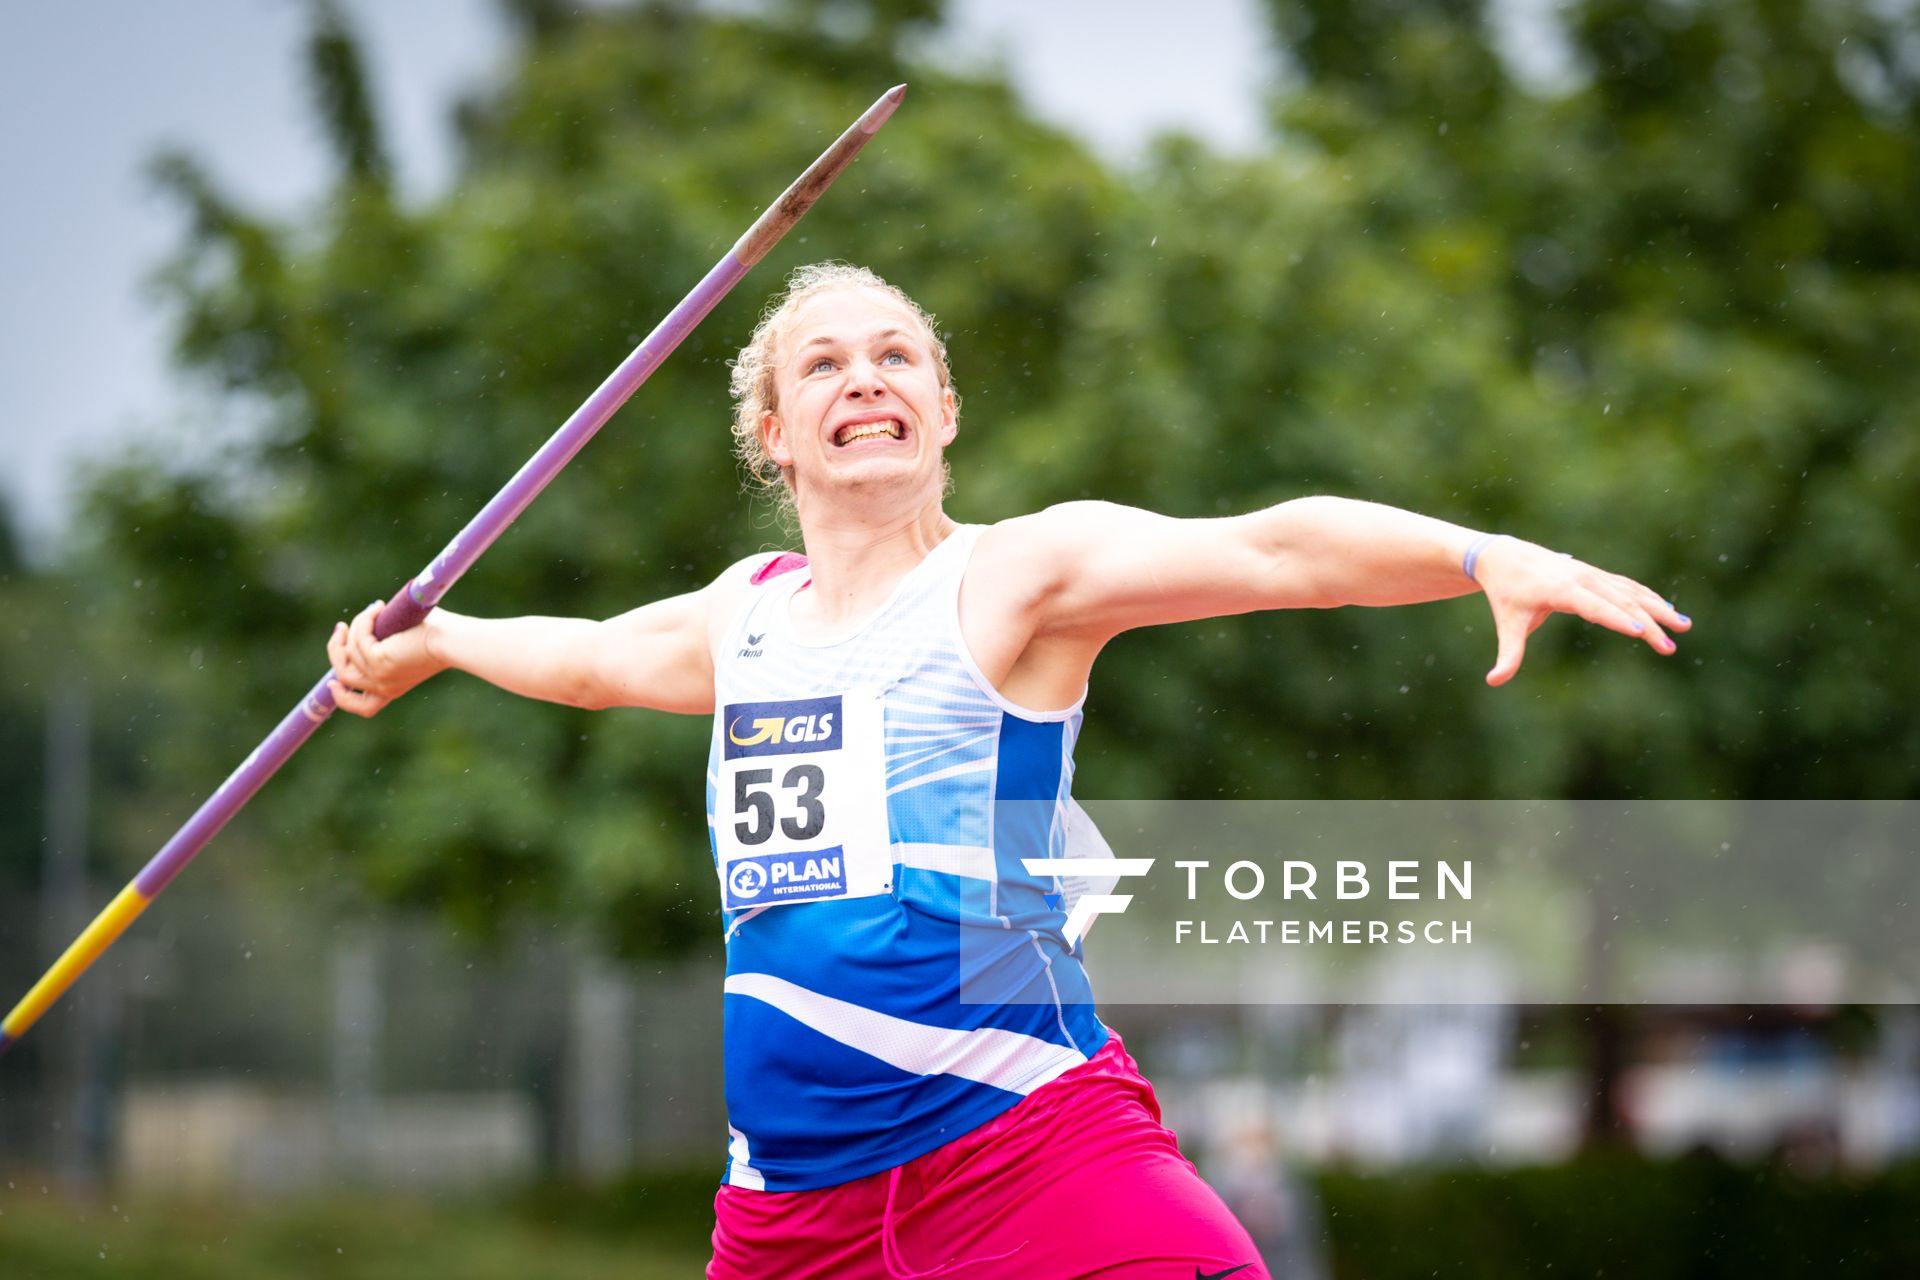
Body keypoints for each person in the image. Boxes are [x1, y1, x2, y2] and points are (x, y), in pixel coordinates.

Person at [325, 262, 1689, 1278]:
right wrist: (436, 641)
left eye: (898, 355)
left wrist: (1476, 556)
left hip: (1028, 1153)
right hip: (793, 1217)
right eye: (824, 365)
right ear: (775, 439)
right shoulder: (745, 618)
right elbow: (592, 658)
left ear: (945, 410)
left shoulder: (1015, 580)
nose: (867, 377)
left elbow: (1282, 552)